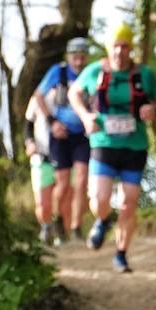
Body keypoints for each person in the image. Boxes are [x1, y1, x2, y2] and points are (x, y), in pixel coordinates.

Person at [68, 23, 156, 273]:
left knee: (129, 202)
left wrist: (153, 110)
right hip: (104, 142)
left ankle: (121, 254)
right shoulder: (94, 71)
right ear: (108, 48)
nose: (120, 51)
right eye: (115, 46)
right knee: (100, 199)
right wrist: (85, 117)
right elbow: (74, 93)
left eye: (124, 46)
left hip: (135, 146)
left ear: (130, 48)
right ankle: (103, 219)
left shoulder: (144, 74)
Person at [30, 37, 92, 244]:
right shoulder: (59, 71)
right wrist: (52, 121)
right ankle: (56, 221)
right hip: (60, 135)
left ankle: (75, 228)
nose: (79, 60)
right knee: (63, 184)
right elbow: (39, 95)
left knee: (82, 178)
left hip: (82, 135)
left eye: (83, 56)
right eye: (75, 56)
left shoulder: (91, 74)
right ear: (69, 56)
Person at [23, 96, 58, 243]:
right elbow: (27, 125)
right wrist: (29, 143)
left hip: (65, 159)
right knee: (43, 204)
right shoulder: (37, 98)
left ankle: (62, 233)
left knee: (62, 200)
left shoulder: (73, 91)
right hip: (40, 159)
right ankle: (46, 228)